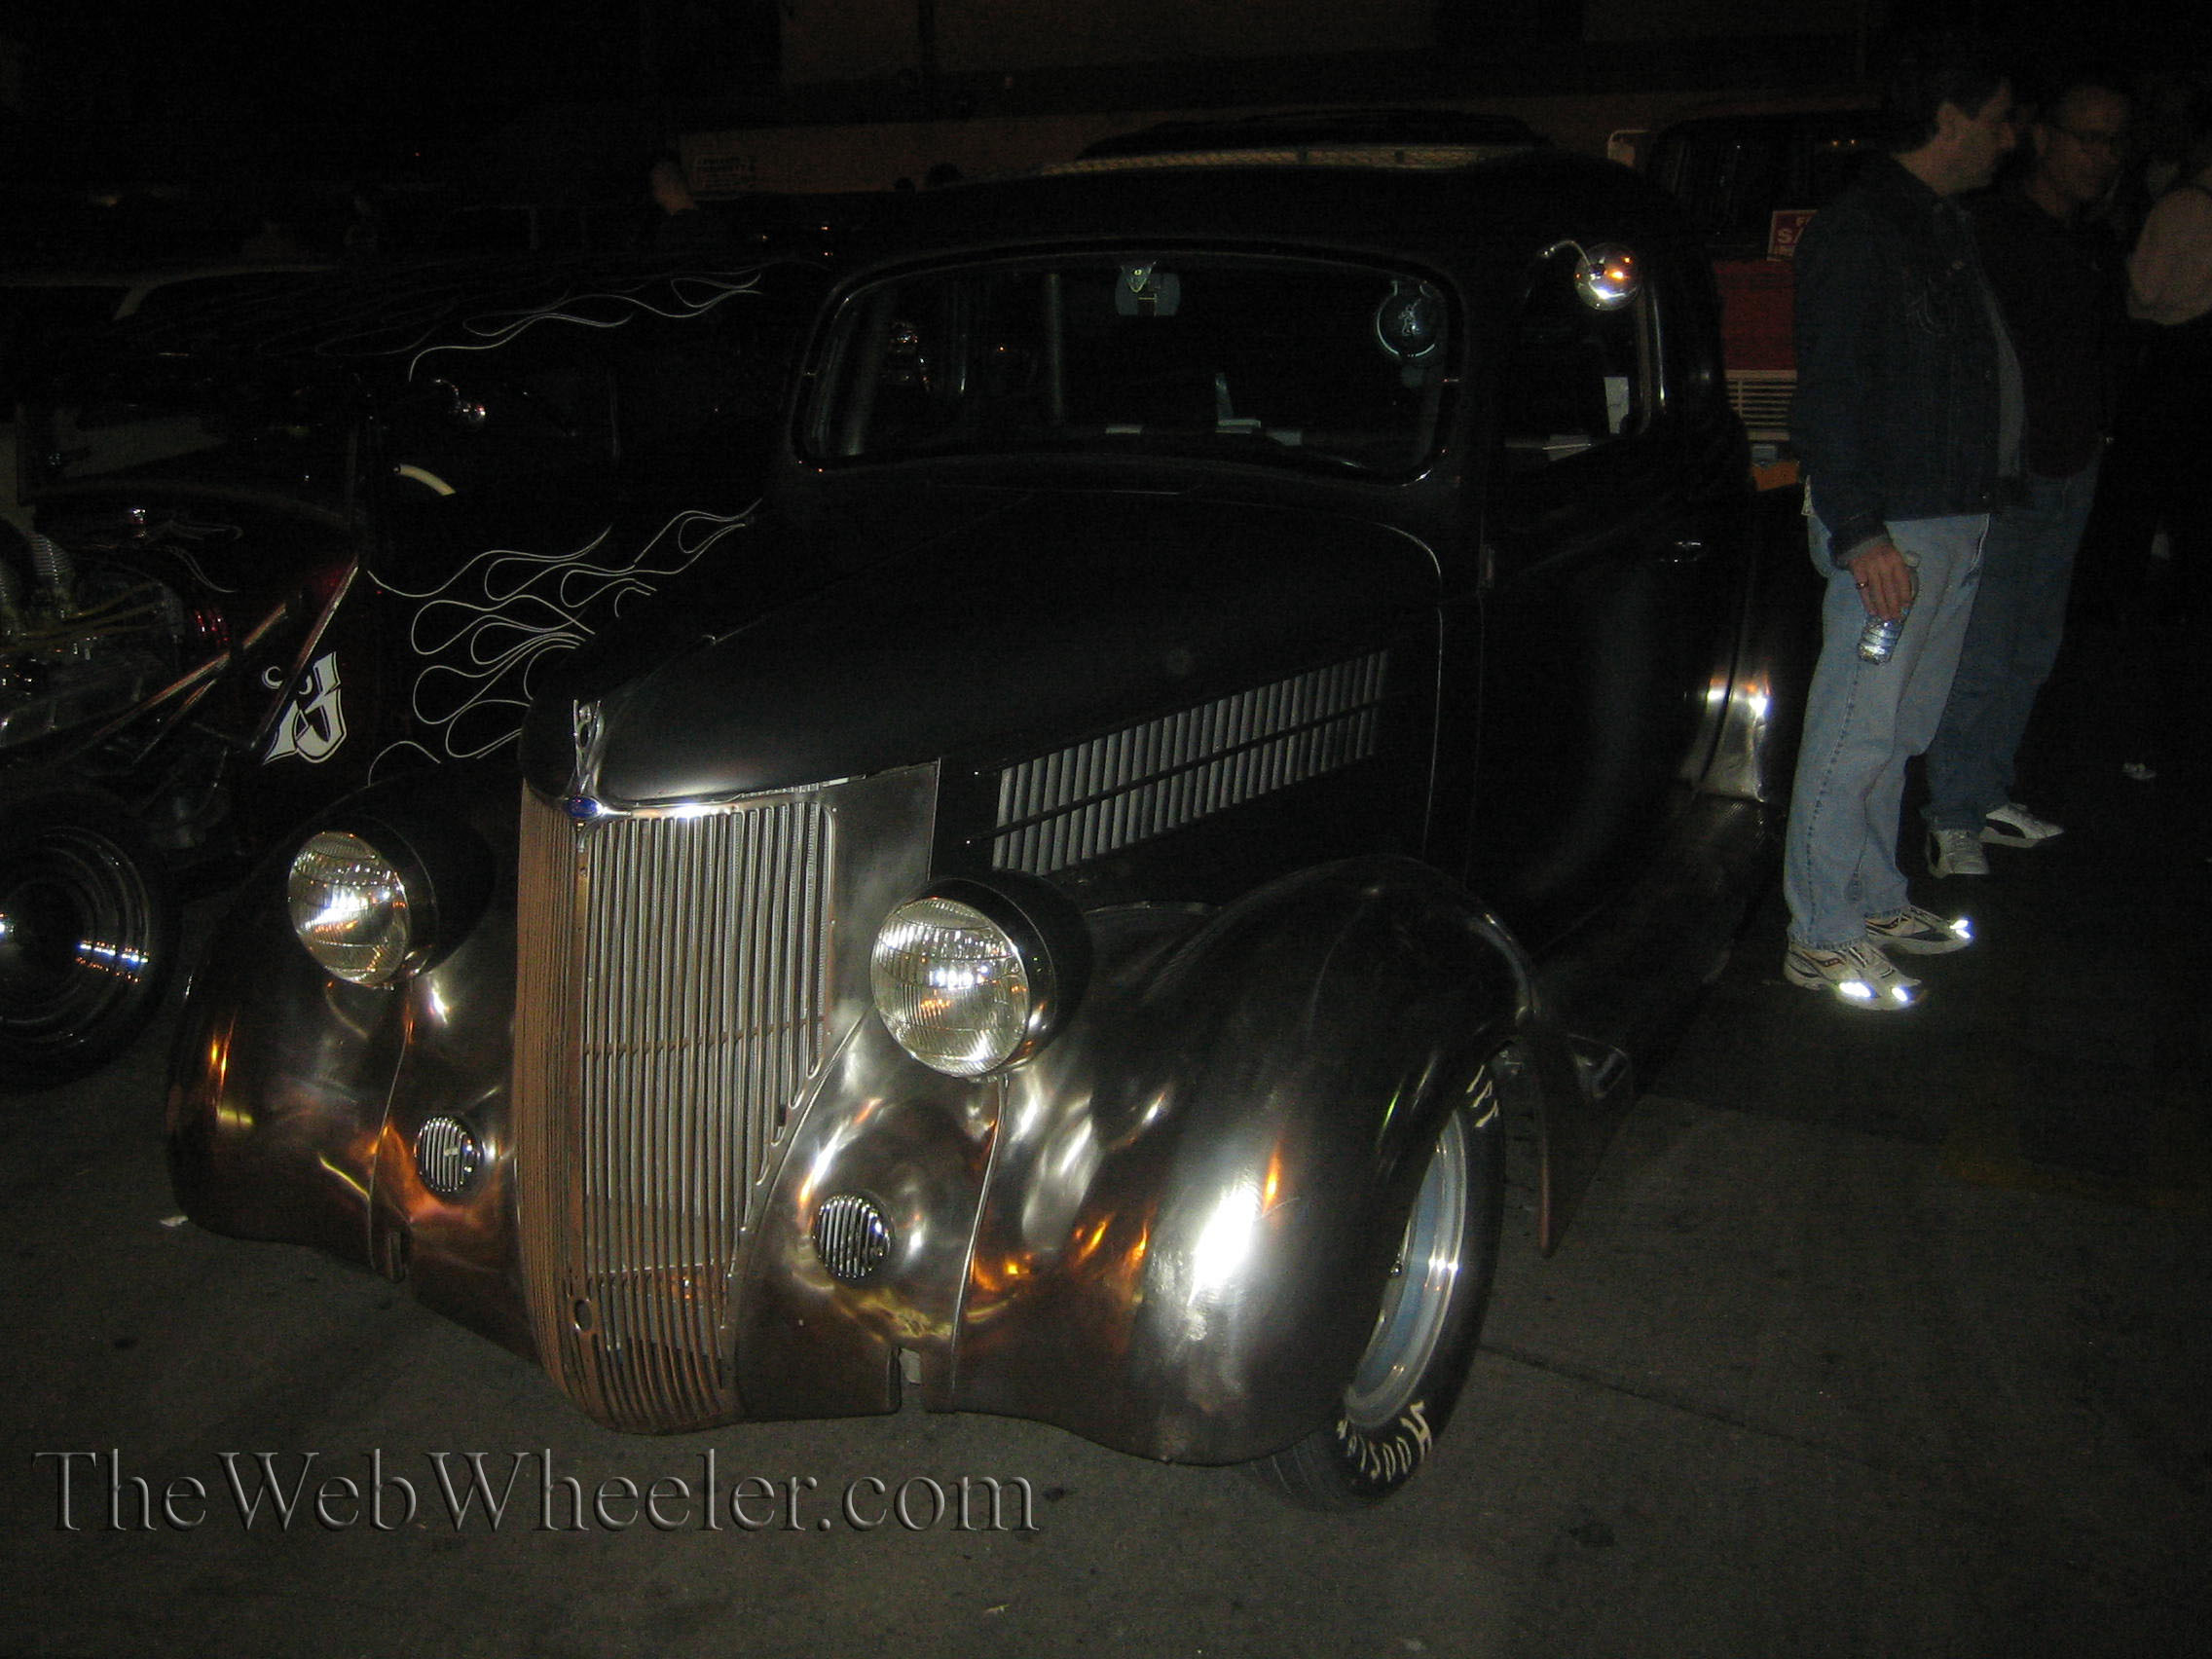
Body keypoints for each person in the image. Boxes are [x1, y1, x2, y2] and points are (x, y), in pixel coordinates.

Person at [1782, 32, 2020, 1010]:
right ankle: (1819, 934)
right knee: (1855, 732)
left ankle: (1874, 900)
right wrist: (1859, 529)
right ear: (1949, 118)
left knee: (1900, 729)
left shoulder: (1936, 223)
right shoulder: (1863, 229)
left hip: (1948, 513)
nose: (2010, 138)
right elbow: (1828, 392)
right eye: (1998, 120)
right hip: (1894, 525)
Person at [1921, 76, 2133, 877]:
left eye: (2114, 142)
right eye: (2088, 138)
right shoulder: (1994, 229)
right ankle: (1951, 813)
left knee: (2031, 647)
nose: (2101, 158)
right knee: (1982, 648)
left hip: (2072, 462)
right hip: (2007, 473)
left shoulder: (2093, 236)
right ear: (2046, 138)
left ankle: (1984, 792)